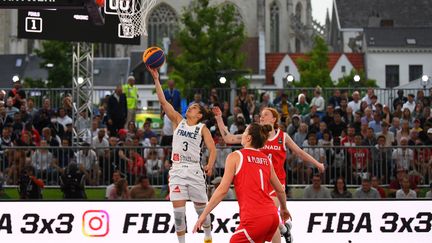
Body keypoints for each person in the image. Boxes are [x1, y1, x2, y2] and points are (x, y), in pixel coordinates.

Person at [213, 106, 324, 243]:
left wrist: (317, 164)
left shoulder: (283, 137)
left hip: (277, 183)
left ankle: (283, 229)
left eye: (265, 114)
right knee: (270, 222)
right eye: (260, 114)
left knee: (270, 212)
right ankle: (284, 230)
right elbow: (229, 138)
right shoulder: (255, 136)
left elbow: (300, 152)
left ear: (274, 119)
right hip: (261, 184)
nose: (261, 117)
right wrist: (219, 119)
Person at [148, 67, 216, 243]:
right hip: (177, 171)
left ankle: (208, 236)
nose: (189, 109)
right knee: (178, 215)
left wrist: (210, 163)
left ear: (199, 115)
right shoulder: (179, 120)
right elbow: (163, 102)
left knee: (202, 211)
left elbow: (212, 148)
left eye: (193, 108)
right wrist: (156, 79)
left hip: (194, 170)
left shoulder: (202, 128)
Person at [193, 123, 291, 243]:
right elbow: (280, 189)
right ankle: (286, 233)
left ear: (249, 138)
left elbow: (222, 190)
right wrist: (284, 209)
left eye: (244, 132)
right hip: (272, 216)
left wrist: (203, 214)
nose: (242, 135)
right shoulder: (266, 159)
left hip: (255, 218)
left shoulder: (235, 156)